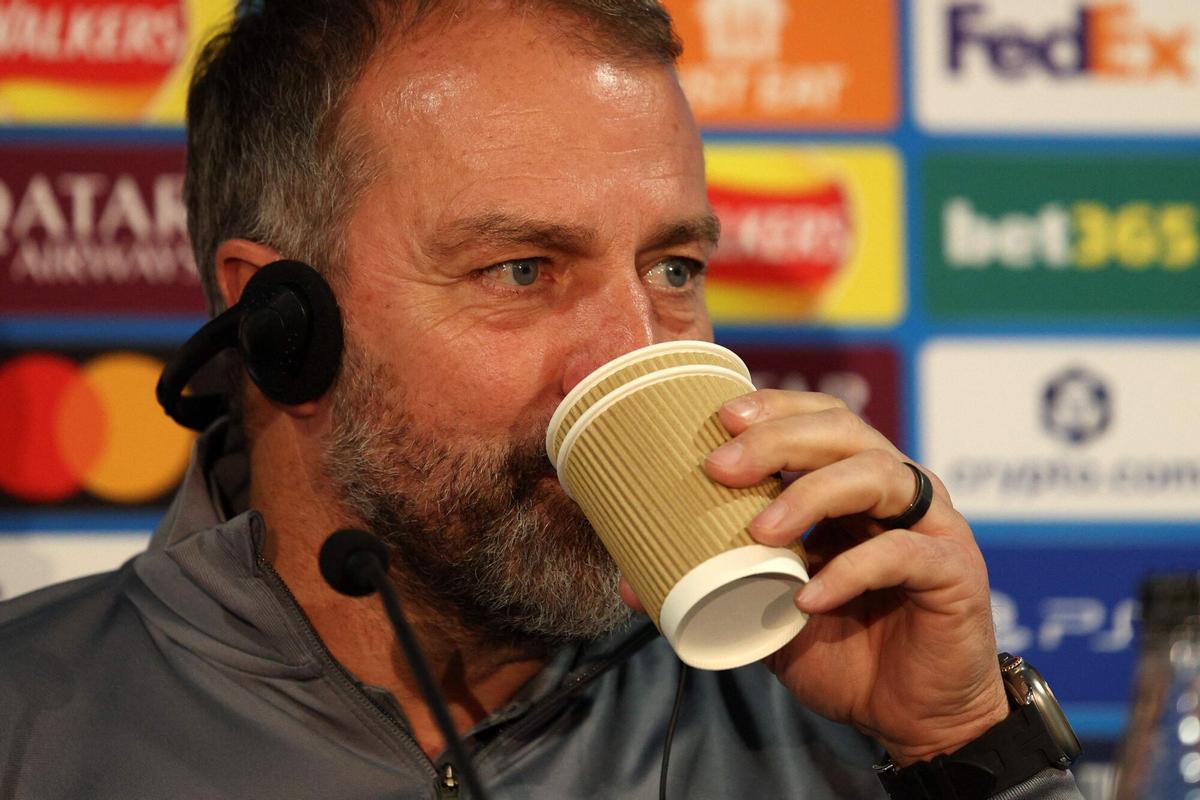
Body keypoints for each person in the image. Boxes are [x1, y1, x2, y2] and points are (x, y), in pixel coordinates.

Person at [0, 2, 1084, 798]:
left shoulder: (839, 709)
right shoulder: (31, 718)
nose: (631, 351)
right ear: (282, 323)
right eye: (521, 269)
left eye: (672, 267)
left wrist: (962, 746)